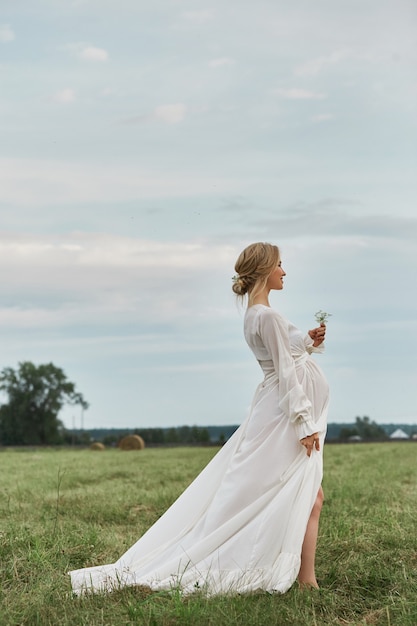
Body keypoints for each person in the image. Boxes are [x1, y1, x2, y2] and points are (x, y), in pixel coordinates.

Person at [70, 241, 329, 596]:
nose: (284, 271)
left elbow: (285, 352)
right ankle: (303, 579)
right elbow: (285, 371)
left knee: (303, 493)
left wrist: (308, 341)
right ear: (265, 269)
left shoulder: (256, 314)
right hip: (282, 418)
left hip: (274, 412)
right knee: (302, 493)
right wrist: (304, 424)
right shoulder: (265, 316)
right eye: (280, 265)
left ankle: (304, 578)